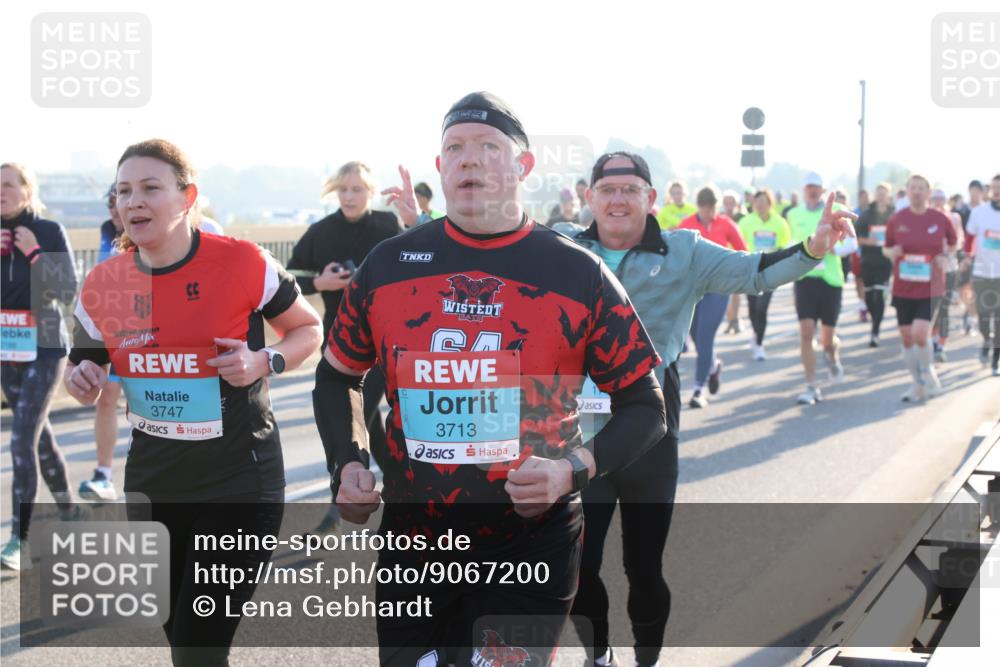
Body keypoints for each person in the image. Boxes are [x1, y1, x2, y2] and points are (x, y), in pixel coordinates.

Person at [312, 92, 667, 667]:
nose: (468, 160)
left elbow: (646, 407)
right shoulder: (387, 266)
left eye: (487, 148)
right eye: (454, 149)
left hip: (529, 543)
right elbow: (337, 380)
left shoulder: (577, 272)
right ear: (440, 167)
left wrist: (569, 469)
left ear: (523, 167)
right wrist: (347, 462)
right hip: (415, 544)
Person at [553, 151, 855, 667]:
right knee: (577, 566)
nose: (619, 199)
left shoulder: (685, 250)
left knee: (644, 567)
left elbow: (754, 272)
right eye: (608, 189)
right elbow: (496, 247)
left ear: (651, 199)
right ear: (590, 197)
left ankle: (646, 660)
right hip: (579, 434)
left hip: (650, 428)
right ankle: (598, 655)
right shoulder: (564, 245)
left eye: (631, 189)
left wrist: (813, 248)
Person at [64, 139, 323, 665]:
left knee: (195, 650)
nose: (133, 201)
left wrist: (263, 361)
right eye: (123, 191)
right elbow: (81, 365)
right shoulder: (104, 282)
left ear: (188, 197)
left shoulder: (242, 262)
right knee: (183, 642)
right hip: (153, 484)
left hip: (238, 483)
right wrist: (82, 378)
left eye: (150, 188)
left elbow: (307, 329)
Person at [287, 160, 403, 533]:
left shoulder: (387, 225)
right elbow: (290, 279)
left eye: (357, 189)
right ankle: (403, 488)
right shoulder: (321, 231)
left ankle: (336, 509)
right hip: (339, 344)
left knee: (359, 413)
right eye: (343, 189)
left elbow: (415, 267)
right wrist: (320, 282)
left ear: (371, 191)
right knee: (371, 424)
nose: (350, 196)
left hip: (383, 344)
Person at [0, 162, 83, 571]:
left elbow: (67, 289)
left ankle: (19, 538)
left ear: (27, 191)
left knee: (20, 440)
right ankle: (69, 508)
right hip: (6, 348)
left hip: (46, 346)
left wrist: (33, 252)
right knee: (38, 436)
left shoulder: (48, 232)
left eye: (8, 185)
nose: (1, 191)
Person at [786, 172, 858, 405]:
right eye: (809, 187)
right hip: (805, 278)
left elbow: (852, 242)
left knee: (827, 338)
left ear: (823, 189)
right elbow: (790, 242)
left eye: (817, 187)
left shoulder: (835, 208)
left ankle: (832, 353)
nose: (813, 191)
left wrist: (833, 248)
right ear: (804, 189)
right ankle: (810, 386)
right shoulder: (794, 214)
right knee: (806, 332)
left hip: (831, 280)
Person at [883, 174, 957, 401]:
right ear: (907, 191)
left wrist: (946, 257)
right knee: (906, 337)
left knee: (920, 334)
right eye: (912, 188)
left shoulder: (940, 218)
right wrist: (891, 253)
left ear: (928, 192)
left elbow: (954, 243)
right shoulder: (897, 219)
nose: (916, 191)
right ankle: (917, 382)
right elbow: (886, 248)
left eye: (921, 188)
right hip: (903, 287)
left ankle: (928, 374)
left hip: (930, 287)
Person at [677, 186, 748, 407]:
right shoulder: (686, 225)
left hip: (718, 288)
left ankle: (698, 390)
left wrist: (736, 274)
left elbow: (742, 251)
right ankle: (714, 365)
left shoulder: (726, 224)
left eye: (713, 208)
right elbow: (675, 255)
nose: (709, 213)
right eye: (706, 209)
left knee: (706, 336)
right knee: (696, 337)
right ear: (699, 206)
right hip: (693, 290)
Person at [80, 185, 127, 502]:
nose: (113, 209)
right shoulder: (107, 230)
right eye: (110, 203)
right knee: (106, 397)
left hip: (151, 330)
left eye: (116, 201)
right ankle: (103, 474)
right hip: (113, 328)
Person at [738, 188, 793, 360]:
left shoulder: (780, 223)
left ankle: (759, 344)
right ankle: (756, 333)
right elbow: (738, 244)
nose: (760, 205)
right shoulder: (746, 222)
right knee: (753, 309)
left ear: (770, 204)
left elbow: (784, 245)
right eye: (757, 202)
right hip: (750, 270)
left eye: (763, 202)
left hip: (770, 271)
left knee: (762, 308)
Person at [964, 173, 1000, 375]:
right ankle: (987, 339)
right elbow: (969, 239)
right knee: (985, 317)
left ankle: (996, 361)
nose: (997, 191)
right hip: (982, 272)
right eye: (994, 187)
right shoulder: (979, 212)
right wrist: (968, 256)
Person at [855, 182, 895, 347]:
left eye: (884, 193)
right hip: (868, 260)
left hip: (885, 262)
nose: (881, 196)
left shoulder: (894, 215)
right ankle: (873, 317)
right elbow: (855, 237)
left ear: (888, 196)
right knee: (870, 297)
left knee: (880, 296)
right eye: (878, 193)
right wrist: (867, 241)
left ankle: (875, 331)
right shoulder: (867, 214)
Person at [930, 189, 965, 362]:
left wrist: (944, 253)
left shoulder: (954, 217)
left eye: (941, 199)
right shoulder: (926, 217)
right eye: (935, 199)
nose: (938, 202)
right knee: (930, 306)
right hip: (929, 270)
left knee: (944, 307)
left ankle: (941, 345)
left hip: (949, 267)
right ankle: (933, 340)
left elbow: (959, 241)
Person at [722, 190, 745, 335]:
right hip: (723, 259)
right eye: (727, 203)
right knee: (725, 293)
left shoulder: (743, 219)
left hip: (738, 258)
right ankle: (731, 319)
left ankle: (734, 319)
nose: (729, 206)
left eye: (732, 203)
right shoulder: (719, 218)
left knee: (736, 292)